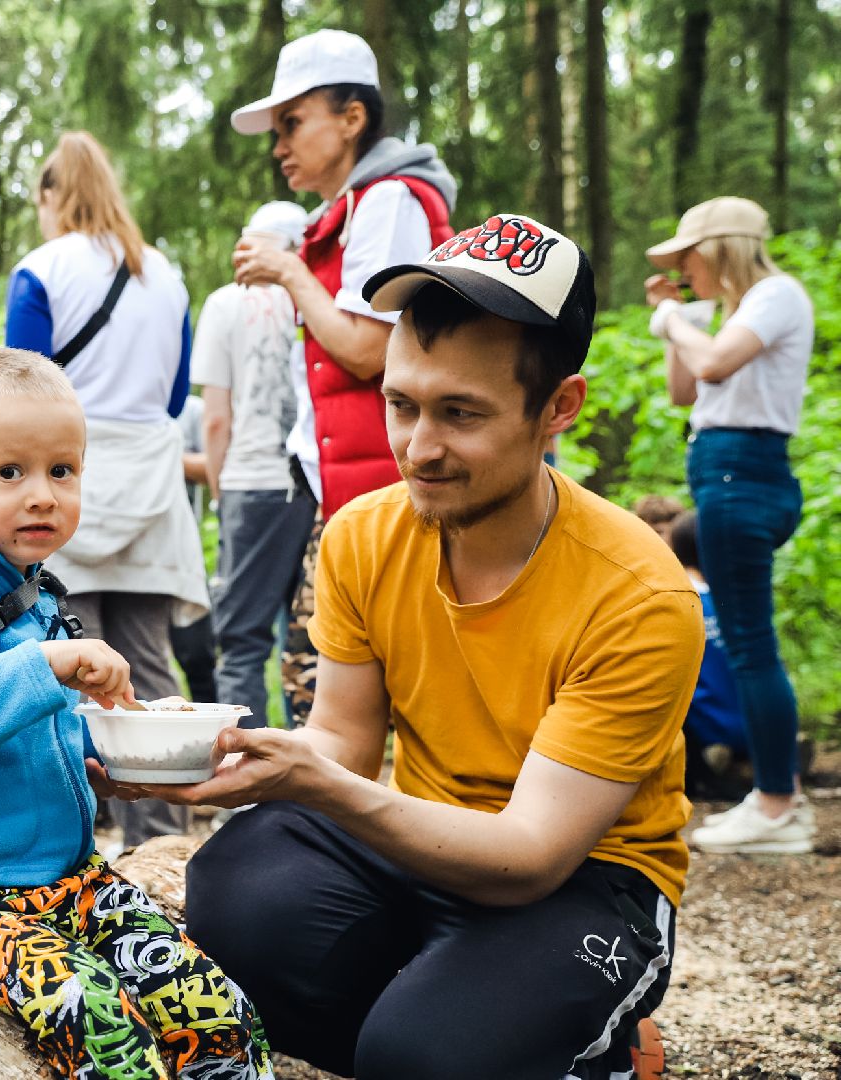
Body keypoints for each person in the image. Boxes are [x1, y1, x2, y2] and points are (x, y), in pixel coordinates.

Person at [130, 218, 699, 1080]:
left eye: (460, 414)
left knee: (419, 1058)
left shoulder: (638, 595)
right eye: (402, 404)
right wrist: (229, 751)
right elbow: (343, 746)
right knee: (236, 892)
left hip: (587, 879)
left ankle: (585, 1040)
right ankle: (485, 1021)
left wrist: (316, 780)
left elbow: (530, 856)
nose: (418, 449)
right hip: (426, 846)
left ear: (558, 408)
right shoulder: (363, 536)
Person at [0, 347, 273, 1080]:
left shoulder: (37, 598)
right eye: (9, 472)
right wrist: (46, 667)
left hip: (69, 882)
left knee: (212, 1003)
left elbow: (39, 729)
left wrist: (134, 730)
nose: (42, 495)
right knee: (97, 1021)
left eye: (62, 470)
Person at [228, 29, 457, 723]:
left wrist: (289, 271)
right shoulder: (353, 209)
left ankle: (345, 828)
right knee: (317, 688)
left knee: (330, 699)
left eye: (293, 122)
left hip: (383, 496)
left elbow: (369, 349)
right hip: (349, 495)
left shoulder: (387, 202)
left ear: (352, 118)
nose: (279, 145)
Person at [5, 131, 209, 847]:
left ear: (51, 197)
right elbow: (178, 392)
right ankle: (168, 845)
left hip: (70, 476)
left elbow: (18, 389)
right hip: (152, 479)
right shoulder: (167, 276)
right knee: (148, 661)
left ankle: (70, 845)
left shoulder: (42, 270)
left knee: (66, 659)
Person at [645, 195, 814, 855]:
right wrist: (682, 318)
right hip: (724, 473)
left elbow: (714, 364)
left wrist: (671, 321)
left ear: (719, 247)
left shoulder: (776, 296)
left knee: (749, 644)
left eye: (688, 257)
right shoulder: (729, 313)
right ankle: (776, 798)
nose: (683, 269)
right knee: (749, 642)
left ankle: (777, 804)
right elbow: (684, 391)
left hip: (743, 474)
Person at [194, 201, 311, 728]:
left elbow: (216, 418)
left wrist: (220, 489)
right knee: (308, 637)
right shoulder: (314, 300)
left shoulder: (225, 304)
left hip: (251, 482)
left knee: (241, 641)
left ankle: (246, 784)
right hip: (314, 481)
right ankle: (318, 776)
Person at [667, 510, 753, 802]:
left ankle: (708, 762)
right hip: (753, 724)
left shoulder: (673, 600)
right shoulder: (734, 601)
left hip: (706, 728)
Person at [170, 393, 217, 705]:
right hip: (120, 559)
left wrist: (164, 454)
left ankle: (214, 733)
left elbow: (216, 466)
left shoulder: (190, 410)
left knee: (197, 655)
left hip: (181, 552)